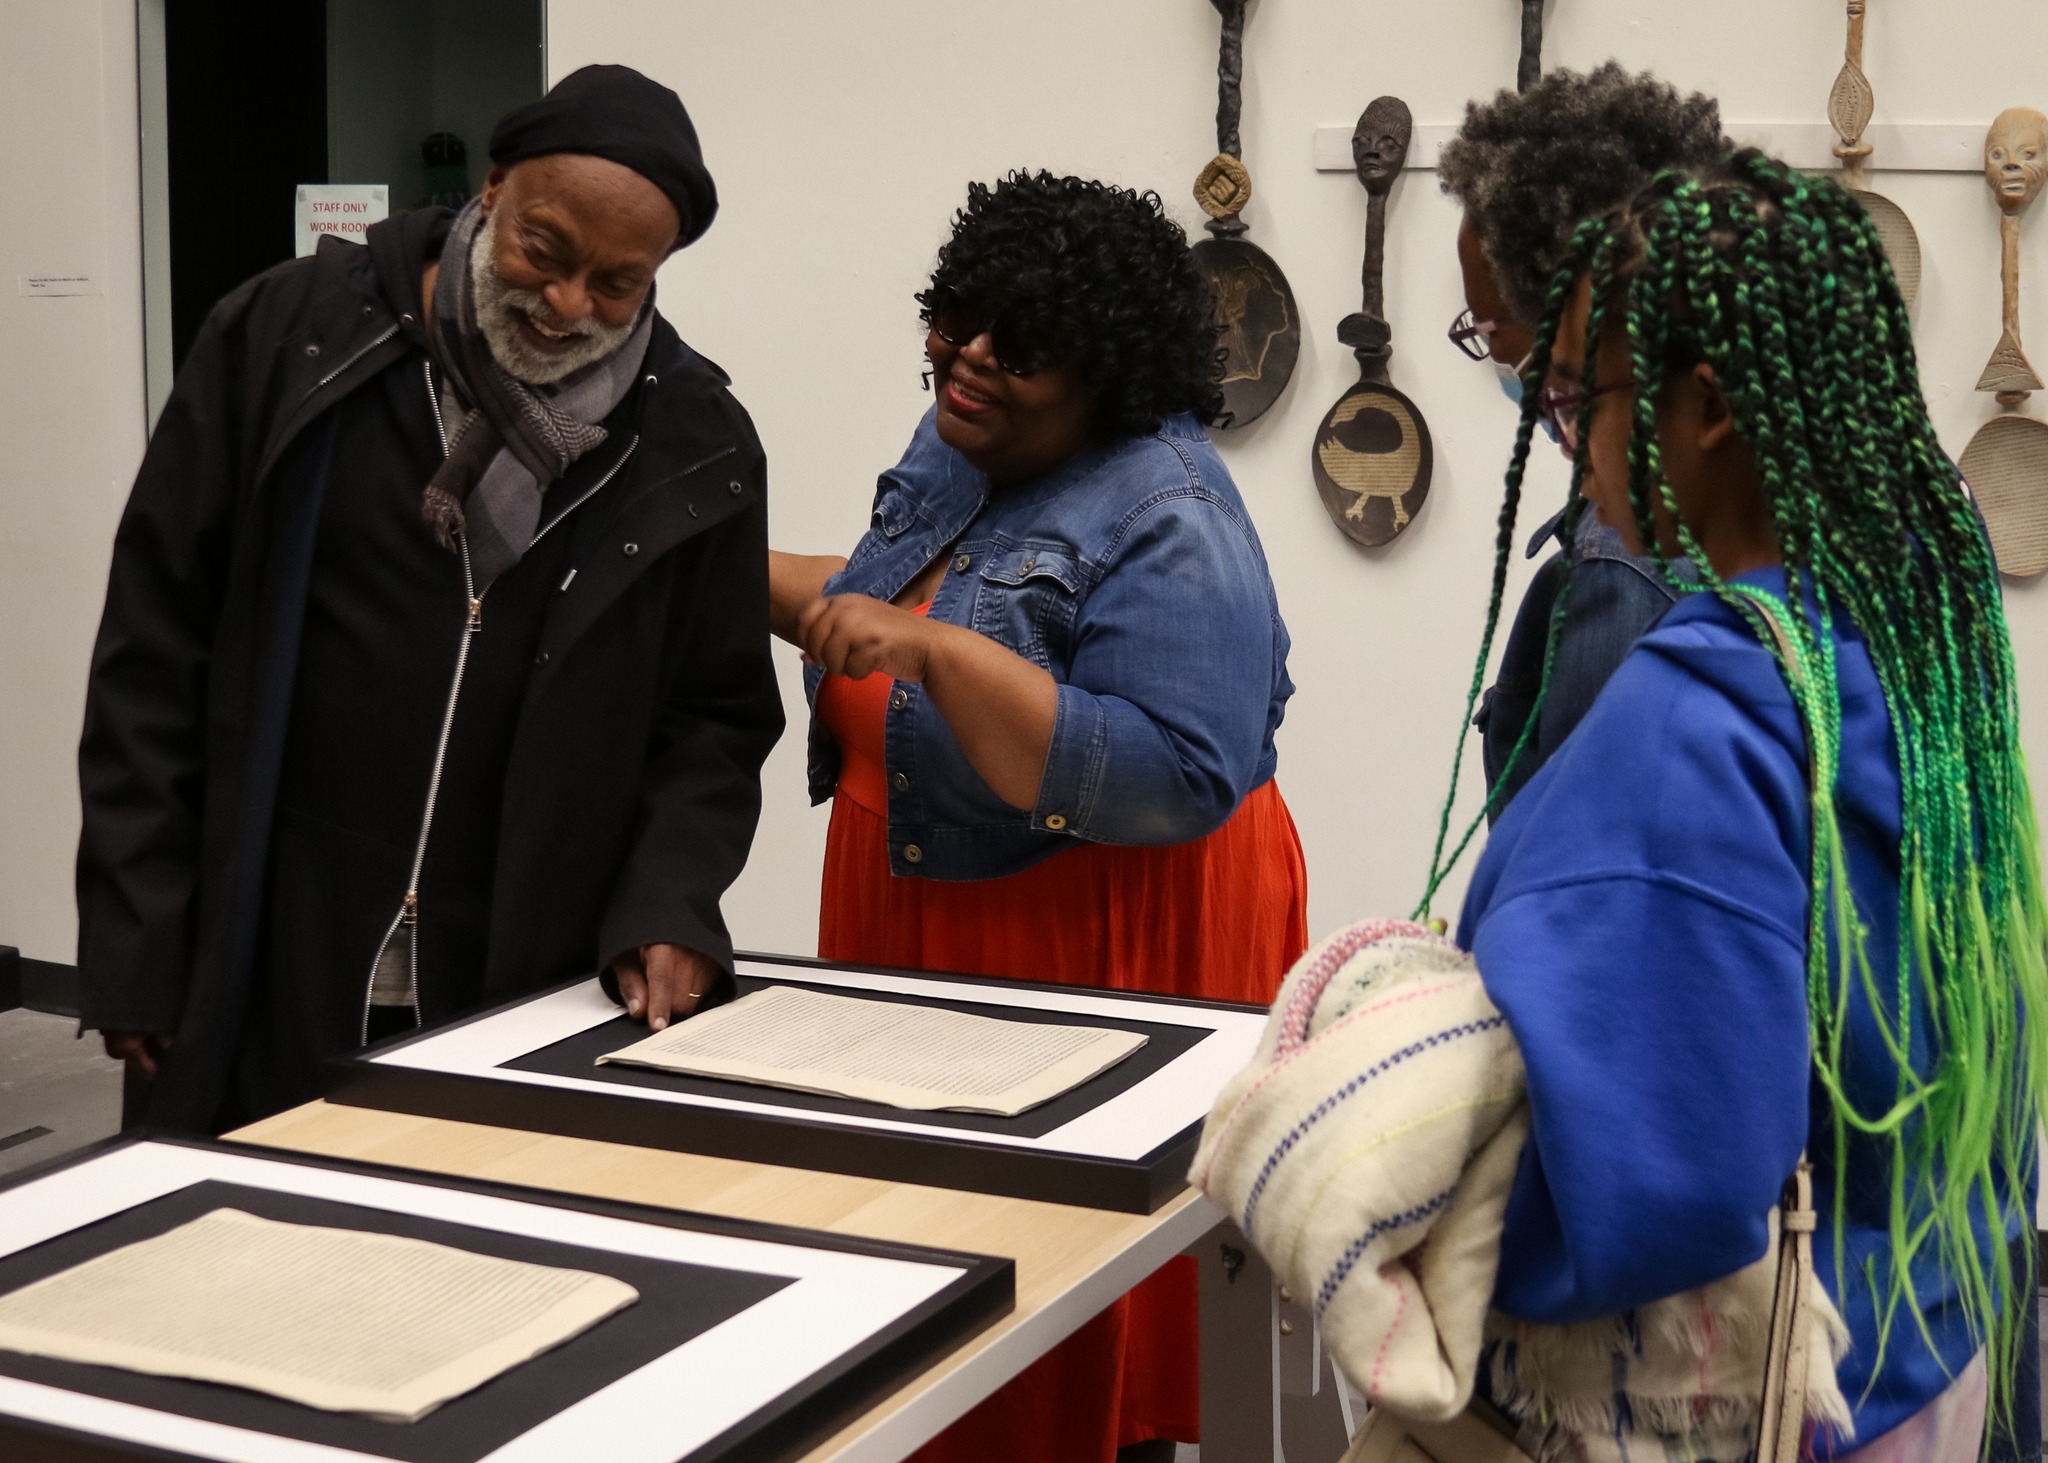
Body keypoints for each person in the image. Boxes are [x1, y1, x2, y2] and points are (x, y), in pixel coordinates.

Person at [1428, 150, 2047, 1461]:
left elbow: (1652, 1188)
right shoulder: (1902, 651)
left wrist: (1400, 1172)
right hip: (1922, 1352)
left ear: (1700, 408)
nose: (1566, 433)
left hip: (1777, 1408)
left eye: (1580, 395)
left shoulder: (1689, 726)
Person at [77, 65, 783, 1134]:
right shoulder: (285, 338)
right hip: (270, 946)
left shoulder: (693, 441)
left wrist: (669, 902)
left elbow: (713, 720)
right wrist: (139, 940)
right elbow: (155, 649)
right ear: (491, 187)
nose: (566, 305)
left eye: (617, 282)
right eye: (544, 251)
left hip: (524, 973)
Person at [769, 171, 1306, 1463]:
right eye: (960, 319)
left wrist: (943, 656)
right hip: (934, 892)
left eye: (1025, 346)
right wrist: (700, 550)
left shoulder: (1173, 511)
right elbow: (871, 608)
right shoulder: (965, 432)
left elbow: (1179, 770)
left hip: (1098, 910)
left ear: (1111, 371)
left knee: (1057, 1313)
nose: (972, 358)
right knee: (926, 1281)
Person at [1436, 64, 1724, 810]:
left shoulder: (1629, 550)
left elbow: (1586, 865)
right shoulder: (1898, 504)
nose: (1493, 352)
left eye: (1492, 324)